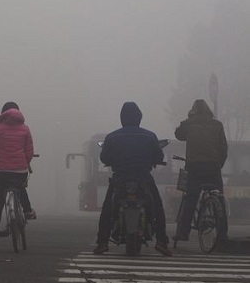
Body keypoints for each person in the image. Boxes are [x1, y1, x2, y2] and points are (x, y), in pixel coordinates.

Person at [93, 102, 172, 256]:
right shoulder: (150, 136)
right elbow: (159, 156)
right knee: (157, 208)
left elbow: (104, 157)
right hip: (144, 179)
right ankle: (162, 242)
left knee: (107, 209)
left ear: (122, 118)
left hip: (120, 179)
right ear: (139, 118)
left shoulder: (112, 136)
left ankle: (102, 243)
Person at [173, 99, 228, 242]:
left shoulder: (190, 124)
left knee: (190, 199)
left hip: (195, 168)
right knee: (219, 198)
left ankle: (183, 233)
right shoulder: (218, 125)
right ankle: (222, 234)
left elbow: (178, 134)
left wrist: (188, 118)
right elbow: (223, 148)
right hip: (213, 168)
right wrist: (218, 164)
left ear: (194, 110)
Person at [0, 102, 36, 251]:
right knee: (20, 186)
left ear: (3, 113)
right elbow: (29, 151)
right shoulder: (25, 129)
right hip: (20, 170)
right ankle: (27, 210)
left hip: (1, 172)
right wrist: (24, 162)